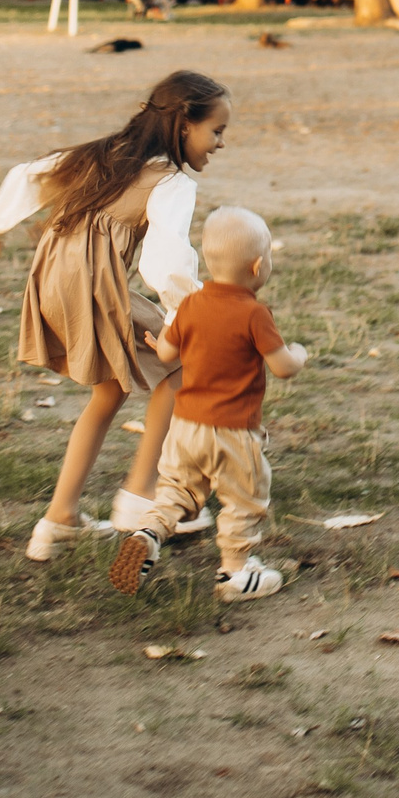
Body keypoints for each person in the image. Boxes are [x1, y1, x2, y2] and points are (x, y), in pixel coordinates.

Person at [0, 70, 230, 562]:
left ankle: (58, 519)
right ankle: (141, 494)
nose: (220, 144)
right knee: (180, 367)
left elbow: (30, 173)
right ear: (184, 125)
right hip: (93, 290)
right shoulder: (171, 182)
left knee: (107, 393)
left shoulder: (102, 153)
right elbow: (165, 261)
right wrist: (181, 315)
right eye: (216, 131)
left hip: (53, 285)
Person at [112, 206, 309, 603]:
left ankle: (148, 534)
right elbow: (283, 368)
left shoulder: (189, 305)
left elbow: (167, 352)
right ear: (257, 267)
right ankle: (235, 573)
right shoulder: (255, 314)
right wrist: (299, 354)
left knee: (176, 492)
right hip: (234, 433)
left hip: (185, 427)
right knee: (244, 499)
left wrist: (156, 343)